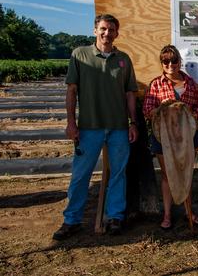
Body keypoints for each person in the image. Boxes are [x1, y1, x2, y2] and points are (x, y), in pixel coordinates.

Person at [52, 14, 139, 240]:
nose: (107, 33)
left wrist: (133, 123)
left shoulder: (124, 59)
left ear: (117, 33)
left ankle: (114, 218)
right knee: (81, 175)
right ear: (95, 30)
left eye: (111, 30)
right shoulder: (80, 55)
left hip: (118, 128)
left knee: (118, 174)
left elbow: (130, 93)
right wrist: (71, 123)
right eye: (103, 29)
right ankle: (72, 220)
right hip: (89, 128)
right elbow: (71, 91)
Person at [143, 45, 198, 230]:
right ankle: (167, 215)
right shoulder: (156, 84)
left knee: (186, 173)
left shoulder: (190, 83)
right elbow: (147, 111)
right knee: (167, 175)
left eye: (174, 60)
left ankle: (188, 212)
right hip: (164, 137)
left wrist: (192, 114)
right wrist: (162, 107)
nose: (170, 64)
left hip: (187, 136)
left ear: (180, 61)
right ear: (162, 63)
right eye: (166, 61)